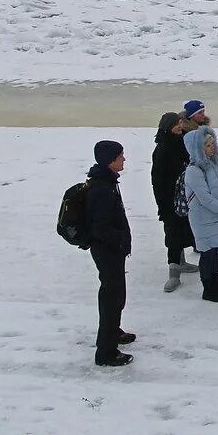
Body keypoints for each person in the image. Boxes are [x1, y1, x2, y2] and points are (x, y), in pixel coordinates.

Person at [87, 140, 135, 367]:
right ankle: (106, 352)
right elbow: (101, 227)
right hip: (108, 252)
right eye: (120, 156)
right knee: (112, 297)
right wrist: (120, 241)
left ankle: (113, 332)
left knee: (115, 295)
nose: (124, 159)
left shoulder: (106, 182)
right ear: (110, 161)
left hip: (110, 251)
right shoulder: (102, 190)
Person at [183, 126, 218, 302]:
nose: (212, 147)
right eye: (207, 145)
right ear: (197, 148)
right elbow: (205, 198)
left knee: (215, 251)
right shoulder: (193, 170)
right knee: (207, 253)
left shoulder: (213, 164)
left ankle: (216, 284)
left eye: (213, 144)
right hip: (203, 219)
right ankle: (208, 289)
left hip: (216, 217)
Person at [151, 111, 198, 293]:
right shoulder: (162, 149)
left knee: (186, 230)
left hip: (186, 197)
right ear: (166, 127)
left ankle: (182, 262)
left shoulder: (184, 142)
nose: (180, 126)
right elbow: (157, 180)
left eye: (180, 123)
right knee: (172, 236)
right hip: (170, 200)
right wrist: (162, 205)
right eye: (176, 124)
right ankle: (174, 274)